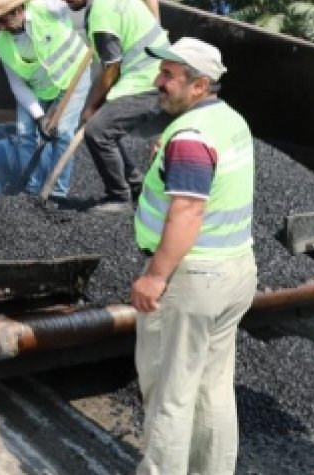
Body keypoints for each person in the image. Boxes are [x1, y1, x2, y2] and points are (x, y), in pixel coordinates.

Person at [129, 37, 256, 474]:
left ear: (199, 85)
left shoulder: (190, 136)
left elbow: (187, 210)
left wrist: (155, 276)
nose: (158, 81)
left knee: (171, 392)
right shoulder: (229, 120)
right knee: (212, 388)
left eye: (169, 76)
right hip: (235, 270)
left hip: (192, 278)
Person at [51, 0, 171, 213]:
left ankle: (118, 196)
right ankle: (136, 184)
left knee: (97, 130)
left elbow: (111, 69)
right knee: (105, 126)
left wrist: (91, 107)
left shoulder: (101, 18)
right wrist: (158, 30)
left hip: (146, 80)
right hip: (158, 69)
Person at [0, 0, 91, 198]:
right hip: (37, 88)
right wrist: (39, 116)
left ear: (18, 10)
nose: (1, 27)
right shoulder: (1, 44)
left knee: (63, 133)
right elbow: (17, 84)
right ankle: (31, 188)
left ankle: (57, 193)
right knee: (24, 133)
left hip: (73, 76)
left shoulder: (48, 7)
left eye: (3, 20)